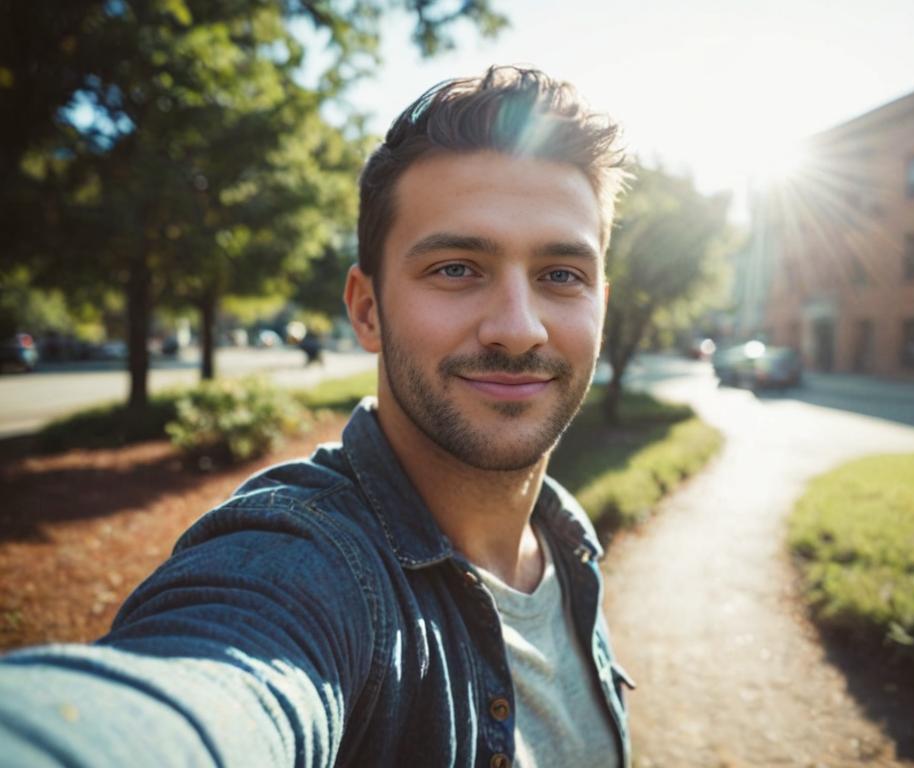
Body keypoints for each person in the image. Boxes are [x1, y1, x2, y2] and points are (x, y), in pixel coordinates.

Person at [0, 66, 632, 767]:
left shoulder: (564, 534)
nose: (519, 329)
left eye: (561, 275)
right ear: (367, 310)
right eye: (457, 268)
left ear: (600, 301)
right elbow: (206, 693)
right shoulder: (304, 567)